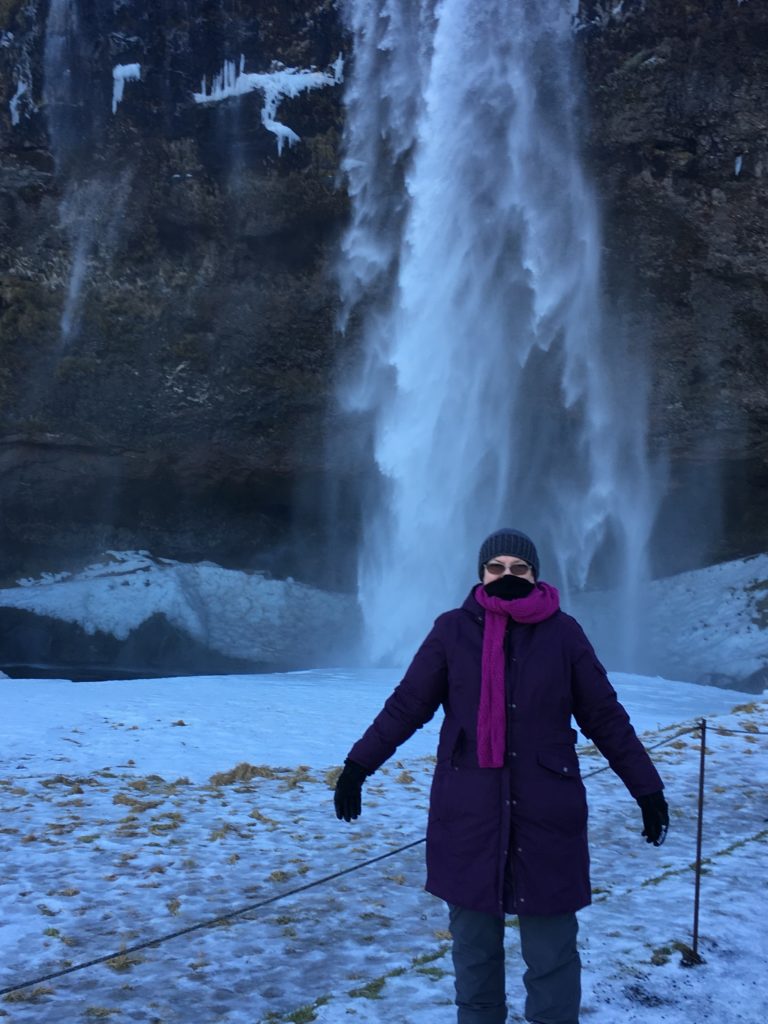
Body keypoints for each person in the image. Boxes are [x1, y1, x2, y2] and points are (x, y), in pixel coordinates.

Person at [333, 528, 669, 1024]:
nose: (507, 576)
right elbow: (408, 705)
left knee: (553, 957)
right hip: (468, 814)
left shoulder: (564, 633)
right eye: (497, 567)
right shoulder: (452, 630)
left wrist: (647, 789)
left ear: (536, 576)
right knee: (474, 956)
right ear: (481, 574)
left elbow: (605, 716)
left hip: (547, 814)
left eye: (519, 568)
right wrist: (359, 766)